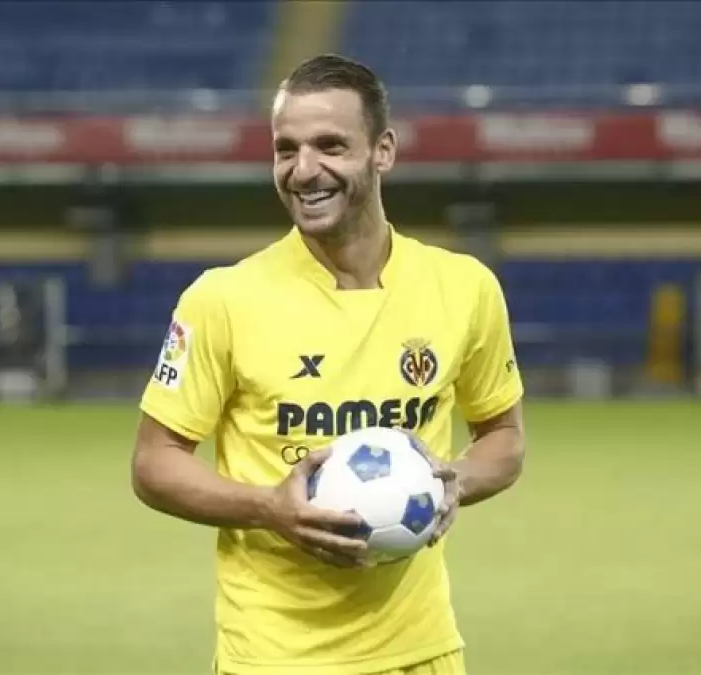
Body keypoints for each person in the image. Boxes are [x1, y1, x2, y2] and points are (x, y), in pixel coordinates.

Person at [131, 54, 526, 675]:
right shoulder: (222, 299)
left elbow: (504, 437)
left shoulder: (465, 287)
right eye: (286, 149)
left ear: (383, 151)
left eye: (330, 146)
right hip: (275, 658)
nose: (304, 170)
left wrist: (457, 482)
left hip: (423, 650)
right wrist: (268, 507)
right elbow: (154, 463)